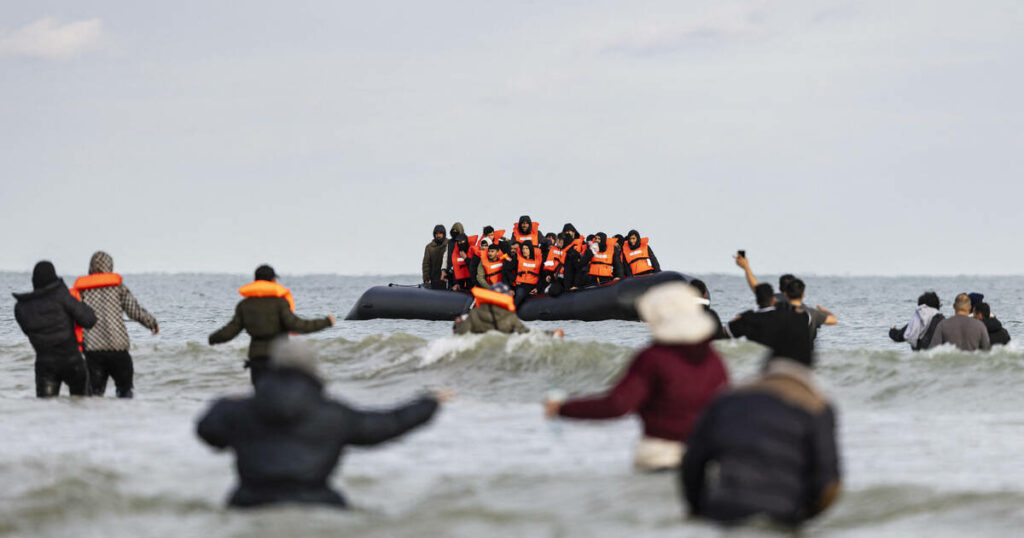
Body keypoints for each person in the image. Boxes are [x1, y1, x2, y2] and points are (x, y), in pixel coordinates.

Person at [196, 340, 446, 508]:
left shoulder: (240, 411)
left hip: (249, 504)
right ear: (313, 372)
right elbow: (387, 424)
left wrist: (225, 402)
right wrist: (429, 402)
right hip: (317, 504)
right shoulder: (333, 413)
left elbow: (207, 431)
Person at [545, 283, 727, 471]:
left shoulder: (654, 357)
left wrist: (562, 408)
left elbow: (618, 405)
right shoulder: (714, 360)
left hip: (660, 455)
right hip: (704, 455)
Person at [681, 317, 841, 528]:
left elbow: (693, 462)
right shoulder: (817, 407)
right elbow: (829, 484)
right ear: (812, 364)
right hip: (782, 514)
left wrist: (697, 509)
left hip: (722, 511)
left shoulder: (728, 398)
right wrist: (802, 518)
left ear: (768, 360)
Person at [209, 265, 335, 385]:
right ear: (273, 280)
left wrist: (214, 338)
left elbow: (231, 330)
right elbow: (298, 325)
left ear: (256, 281)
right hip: (279, 358)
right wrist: (326, 322)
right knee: (278, 399)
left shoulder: (245, 305)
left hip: (257, 359)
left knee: (261, 397)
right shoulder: (280, 303)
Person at [72, 251, 159, 398]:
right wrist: (151, 323)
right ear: (110, 266)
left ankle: (95, 420)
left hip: (93, 350)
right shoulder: (118, 287)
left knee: (94, 395)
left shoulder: (82, 290)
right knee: (125, 392)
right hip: (118, 348)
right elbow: (134, 311)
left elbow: (73, 316)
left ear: (91, 267)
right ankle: (125, 419)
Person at [13, 261, 97, 397]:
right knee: (82, 408)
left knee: (46, 411)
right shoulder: (62, 296)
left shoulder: (21, 308)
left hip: (45, 365)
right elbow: (89, 320)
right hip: (72, 362)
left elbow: (27, 330)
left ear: (34, 281)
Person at [453, 283, 564, 336]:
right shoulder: (509, 317)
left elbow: (460, 333)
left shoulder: (476, 313)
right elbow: (527, 334)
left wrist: (457, 326)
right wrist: (551, 334)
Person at [784, 279, 837, 345]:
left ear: (785, 294)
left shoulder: (778, 312)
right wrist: (824, 311)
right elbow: (834, 320)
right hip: (805, 353)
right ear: (803, 295)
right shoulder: (813, 313)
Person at [512, 241, 542, 308]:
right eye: (523, 249)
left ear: (530, 249)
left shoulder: (538, 260)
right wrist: (514, 279)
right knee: (519, 294)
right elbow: (508, 271)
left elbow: (541, 275)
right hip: (521, 285)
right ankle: (510, 311)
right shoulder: (517, 259)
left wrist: (537, 288)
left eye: (526, 248)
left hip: (533, 286)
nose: (524, 251)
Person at [422, 224, 448, 290]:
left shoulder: (449, 244)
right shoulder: (429, 247)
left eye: (440, 233)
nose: (438, 235)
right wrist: (426, 279)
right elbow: (426, 264)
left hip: (447, 279)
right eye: (436, 233)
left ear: (444, 234)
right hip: (434, 279)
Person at [442, 222, 466, 288]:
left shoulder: (465, 241)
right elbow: (445, 256)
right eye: (453, 230)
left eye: (456, 230)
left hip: (461, 272)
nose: (455, 232)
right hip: (450, 271)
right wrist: (443, 269)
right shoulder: (449, 242)